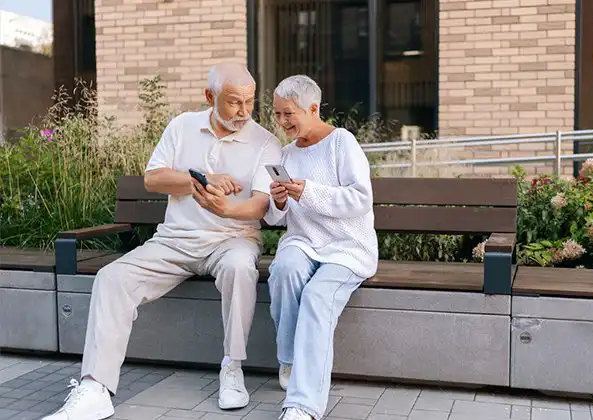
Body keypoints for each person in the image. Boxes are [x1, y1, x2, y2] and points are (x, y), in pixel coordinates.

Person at [42, 62, 282, 420]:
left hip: (232, 239)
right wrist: (202, 180)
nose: (244, 111)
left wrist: (226, 208)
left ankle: (233, 368)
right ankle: (96, 387)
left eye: (250, 101)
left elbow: (260, 205)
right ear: (209, 97)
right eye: (234, 102)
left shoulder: (265, 142)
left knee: (239, 267)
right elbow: (154, 179)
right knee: (112, 278)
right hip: (174, 242)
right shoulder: (182, 126)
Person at [263, 75, 379, 420]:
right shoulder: (285, 154)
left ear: (313, 108)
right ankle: (290, 360)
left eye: (289, 114)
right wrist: (280, 203)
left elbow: (361, 199)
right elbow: (275, 219)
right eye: (277, 114)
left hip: (347, 247)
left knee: (317, 296)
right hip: (304, 241)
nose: (282, 122)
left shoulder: (342, 143)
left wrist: (308, 192)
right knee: (284, 269)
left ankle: (303, 405)